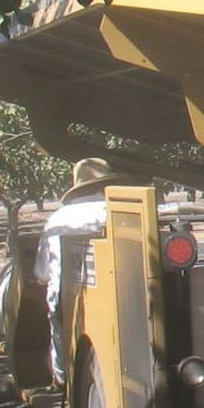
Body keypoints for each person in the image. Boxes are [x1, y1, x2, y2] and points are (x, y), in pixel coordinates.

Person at [35, 158, 132, 386]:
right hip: (121, 296)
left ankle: (63, 380)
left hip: (66, 299)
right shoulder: (116, 212)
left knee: (61, 332)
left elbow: (42, 273)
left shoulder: (57, 220)